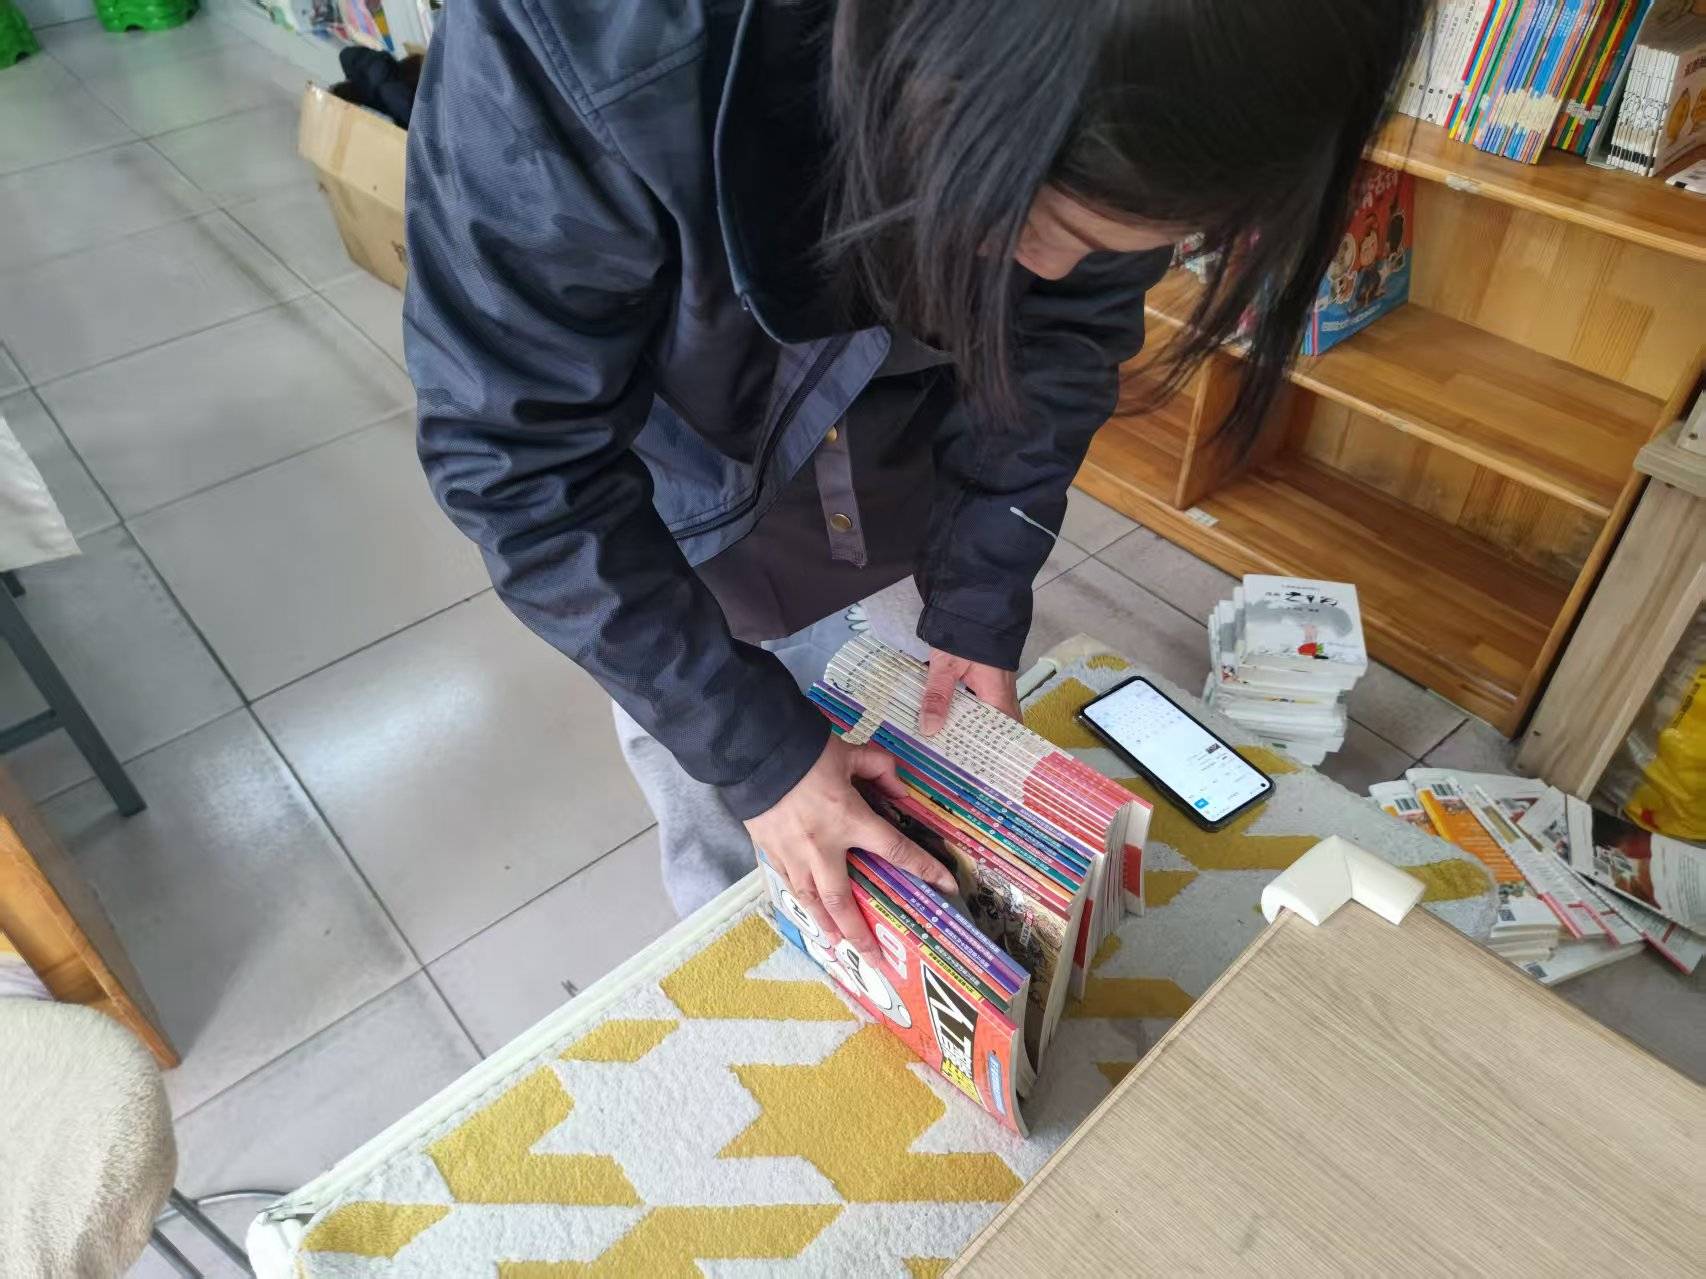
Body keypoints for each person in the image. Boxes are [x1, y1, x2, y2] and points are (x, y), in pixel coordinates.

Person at [404, 0, 1427, 959]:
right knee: (734, 819)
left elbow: (1058, 339)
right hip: (672, 513)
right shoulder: (586, 39)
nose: (1051, 272)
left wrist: (979, 592)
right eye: (1048, 231)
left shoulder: (1159, 67)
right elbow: (520, 458)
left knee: (915, 778)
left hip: (898, 474)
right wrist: (750, 752)